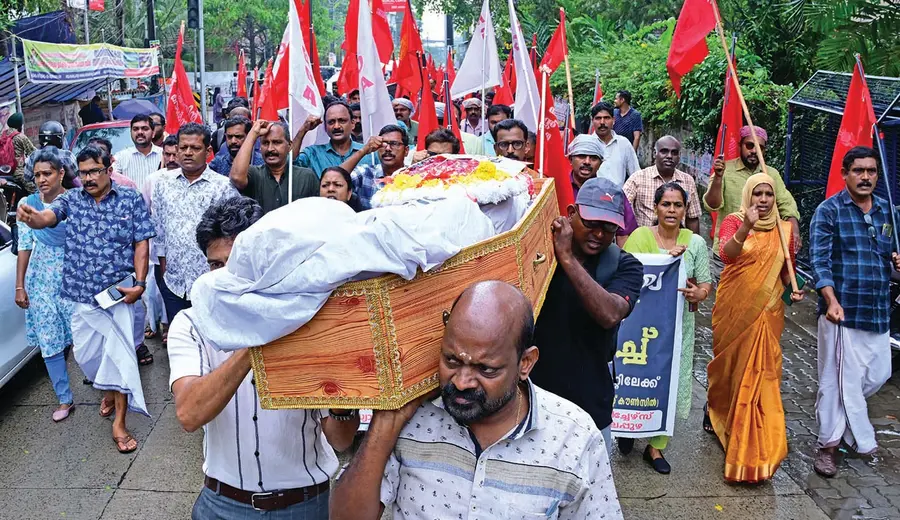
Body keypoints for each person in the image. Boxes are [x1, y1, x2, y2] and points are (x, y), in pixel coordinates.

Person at [329, 281, 624, 520]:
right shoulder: (412, 419)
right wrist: (385, 427)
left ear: (526, 363)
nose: (461, 382)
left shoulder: (573, 438)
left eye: (486, 369)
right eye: (451, 360)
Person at [167, 195, 359, 519]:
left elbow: (341, 440)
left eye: (237, 263)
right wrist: (255, 337)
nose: (225, 279)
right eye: (216, 266)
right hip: (222, 505)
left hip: (305, 506)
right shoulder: (190, 324)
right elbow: (189, 413)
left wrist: (342, 396)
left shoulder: (309, 321)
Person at [16, 144, 155, 454]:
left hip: (117, 294)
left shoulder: (129, 199)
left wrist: (141, 282)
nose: (89, 177)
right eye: (84, 172)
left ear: (109, 169)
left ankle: (120, 422)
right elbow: (48, 218)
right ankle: (106, 390)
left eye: (95, 170)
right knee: (86, 358)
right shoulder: (72, 200)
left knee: (119, 358)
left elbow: (141, 242)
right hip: (80, 295)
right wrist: (34, 219)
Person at [530, 177, 644, 450]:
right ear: (571, 214)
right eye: (591, 223)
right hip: (533, 399)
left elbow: (609, 313)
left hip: (589, 404)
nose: (600, 234)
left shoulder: (626, 266)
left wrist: (567, 258)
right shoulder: (537, 255)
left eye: (609, 227)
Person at [707, 173, 804, 483]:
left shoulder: (785, 229)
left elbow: (787, 274)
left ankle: (756, 449)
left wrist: (794, 291)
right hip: (733, 310)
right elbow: (726, 255)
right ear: (748, 195)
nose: (763, 200)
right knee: (730, 372)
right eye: (758, 194)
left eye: (769, 194)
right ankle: (722, 416)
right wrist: (747, 225)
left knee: (762, 378)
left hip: (767, 313)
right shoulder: (734, 222)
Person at [810, 146, 900, 478]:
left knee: (878, 374)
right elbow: (819, 260)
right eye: (858, 170)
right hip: (841, 312)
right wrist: (830, 299)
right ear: (845, 173)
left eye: (871, 171)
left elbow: (893, 254)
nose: (865, 177)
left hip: (876, 311)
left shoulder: (888, 213)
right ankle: (828, 447)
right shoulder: (828, 210)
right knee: (836, 382)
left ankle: (842, 424)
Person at [621, 182, 713, 473]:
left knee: (669, 380)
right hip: (638, 325)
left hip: (678, 328)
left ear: (686, 209)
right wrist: (664, 262)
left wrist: (700, 293)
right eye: (666, 204)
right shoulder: (639, 237)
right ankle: (628, 428)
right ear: (655, 207)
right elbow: (628, 272)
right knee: (635, 374)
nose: (671, 210)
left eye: (678, 205)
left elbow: (704, 283)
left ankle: (656, 447)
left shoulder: (695, 243)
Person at [152, 123, 238, 322]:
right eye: (183, 148)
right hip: (174, 284)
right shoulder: (163, 185)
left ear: (207, 151)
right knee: (181, 342)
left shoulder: (223, 187)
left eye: (195, 148)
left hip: (210, 283)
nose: (188, 153)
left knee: (213, 343)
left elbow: (231, 238)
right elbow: (160, 231)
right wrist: (165, 275)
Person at [14, 149, 76, 422]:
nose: (41, 179)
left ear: (61, 173)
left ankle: (106, 389)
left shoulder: (75, 200)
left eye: (47, 173)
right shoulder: (28, 203)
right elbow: (25, 245)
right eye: (37, 174)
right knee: (49, 340)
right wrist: (20, 285)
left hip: (72, 277)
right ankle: (64, 398)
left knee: (84, 336)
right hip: (40, 281)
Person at [703, 125, 800, 252]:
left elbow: (787, 205)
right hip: (727, 251)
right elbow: (712, 205)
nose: (754, 150)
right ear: (740, 145)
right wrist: (718, 178)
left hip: (761, 252)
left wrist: (794, 230)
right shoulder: (724, 171)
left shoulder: (772, 174)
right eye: (749, 145)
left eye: (760, 147)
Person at [230, 119, 319, 214]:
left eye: (276, 142)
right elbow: (236, 177)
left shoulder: (307, 177)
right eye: (265, 143)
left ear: (289, 145)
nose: (270, 149)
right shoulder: (254, 174)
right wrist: (253, 134)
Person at [141, 134, 180, 346]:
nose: (172, 158)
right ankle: (164, 326)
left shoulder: (188, 178)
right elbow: (144, 211)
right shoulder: (153, 180)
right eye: (168, 154)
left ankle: (174, 330)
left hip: (184, 250)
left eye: (175, 154)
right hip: (158, 249)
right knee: (160, 289)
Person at [567, 133, 638, 246]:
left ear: (601, 163)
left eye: (594, 158)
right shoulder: (557, 187)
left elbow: (624, 234)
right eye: (581, 156)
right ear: (570, 159)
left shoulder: (612, 192)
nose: (587, 162)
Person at [624, 136, 701, 233]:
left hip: (678, 243)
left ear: (679, 156)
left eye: (674, 153)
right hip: (645, 242)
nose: (669, 156)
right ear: (654, 154)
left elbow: (692, 218)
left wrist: (694, 244)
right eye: (664, 151)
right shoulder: (638, 178)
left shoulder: (688, 181)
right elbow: (622, 208)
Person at [292, 102, 375, 177]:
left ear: (352, 123)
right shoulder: (313, 154)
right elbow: (290, 166)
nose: (336, 126)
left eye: (342, 121)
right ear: (325, 126)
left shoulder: (369, 153)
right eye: (331, 122)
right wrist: (302, 130)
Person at [340, 124, 409, 210]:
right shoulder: (366, 173)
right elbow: (336, 178)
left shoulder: (415, 176)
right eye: (382, 144)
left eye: (394, 144)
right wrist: (364, 150)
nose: (387, 148)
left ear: (406, 151)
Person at [591, 101, 639, 187]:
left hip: (618, 197)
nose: (602, 122)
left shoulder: (624, 143)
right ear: (592, 121)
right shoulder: (588, 144)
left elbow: (636, 175)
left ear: (613, 120)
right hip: (593, 198)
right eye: (598, 118)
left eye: (606, 118)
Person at [24, 121, 80, 190]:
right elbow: (78, 176)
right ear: (60, 138)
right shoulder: (67, 155)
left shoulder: (33, 155)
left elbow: (26, 178)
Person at [113, 114, 163, 190]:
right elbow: (113, 182)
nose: (140, 132)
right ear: (130, 133)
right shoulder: (120, 157)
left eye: (145, 129)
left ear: (153, 133)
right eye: (135, 129)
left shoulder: (164, 155)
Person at [3, 112, 36, 192]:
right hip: (17, 172)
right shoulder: (20, 137)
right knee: (36, 190)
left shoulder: (3, 135)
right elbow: (34, 153)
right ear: (20, 125)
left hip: (3, 171)